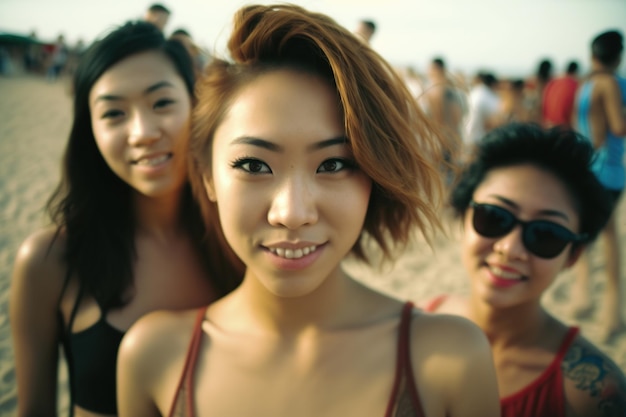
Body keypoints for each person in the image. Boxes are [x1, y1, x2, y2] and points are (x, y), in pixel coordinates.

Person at [117, 4, 501, 417]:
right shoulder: (153, 358)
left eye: (334, 165)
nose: (293, 213)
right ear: (206, 174)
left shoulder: (450, 360)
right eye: (254, 165)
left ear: (375, 177)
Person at [9, 21, 242, 417]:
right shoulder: (50, 260)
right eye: (114, 113)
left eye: (162, 103)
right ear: (91, 131)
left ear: (195, 105)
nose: (142, 132)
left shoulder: (240, 242)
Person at [423, 123, 626, 417]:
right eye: (493, 217)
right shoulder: (410, 327)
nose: (510, 249)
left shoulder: (592, 394)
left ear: (573, 255)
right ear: (463, 218)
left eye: (546, 235)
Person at [571, 29, 626, 341]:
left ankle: (584, 298)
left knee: (587, 234)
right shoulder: (612, 82)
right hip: (610, 170)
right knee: (608, 239)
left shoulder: (587, 84)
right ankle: (612, 314)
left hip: (589, 167)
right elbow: (618, 126)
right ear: (618, 57)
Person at [421, 57, 466, 184]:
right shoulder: (454, 90)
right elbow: (458, 118)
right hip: (452, 138)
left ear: (435, 69)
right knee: (449, 178)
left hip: (439, 140)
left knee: (438, 181)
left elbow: (436, 119)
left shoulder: (434, 89)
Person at [542, 60, 580, 129]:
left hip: (550, 126)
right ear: (576, 72)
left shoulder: (552, 82)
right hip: (564, 128)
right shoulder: (573, 84)